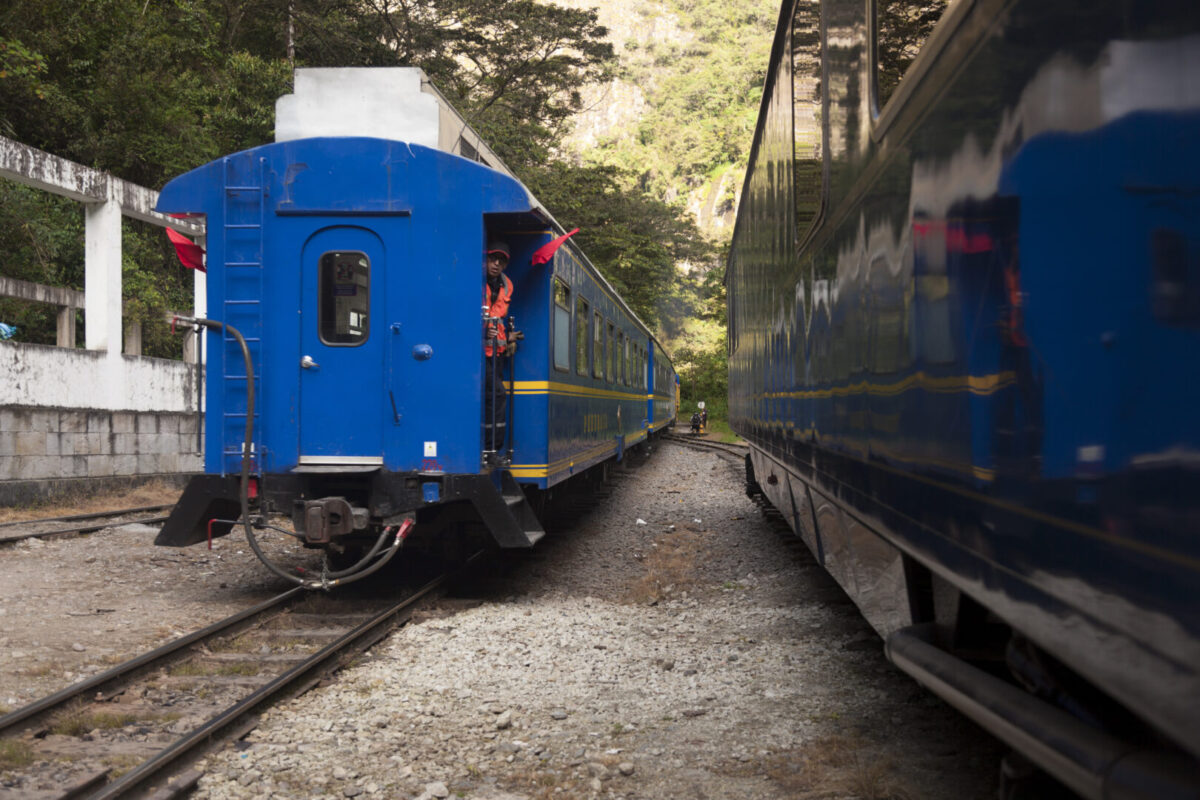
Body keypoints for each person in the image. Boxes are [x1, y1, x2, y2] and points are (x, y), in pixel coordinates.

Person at [483, 240, 514, 457]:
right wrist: (482, 332)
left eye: (501, 261)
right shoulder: (473, 279)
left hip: (497, 354)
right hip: (476, 355)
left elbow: (497, 318)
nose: (496, 264)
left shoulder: (507, 285)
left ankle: (491, 446)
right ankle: (491, 446)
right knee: (498, 394)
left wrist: (509, 337)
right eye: (492, 258)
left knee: (494, 395)